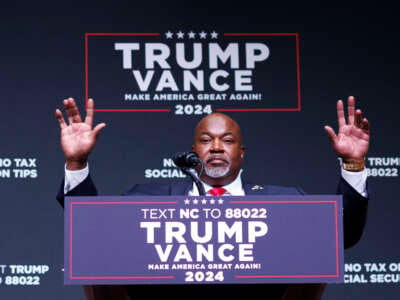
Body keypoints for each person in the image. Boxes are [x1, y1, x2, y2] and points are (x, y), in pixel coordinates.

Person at [55, 96, 370, 300]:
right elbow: (89, 232)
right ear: (194, 153)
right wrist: (77, 162)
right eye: (206, 140)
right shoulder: (146, 199)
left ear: (241, 153)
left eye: (227, 140)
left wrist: (353, 164)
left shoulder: (284, 202)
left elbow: (343, 234)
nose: (216, 147)